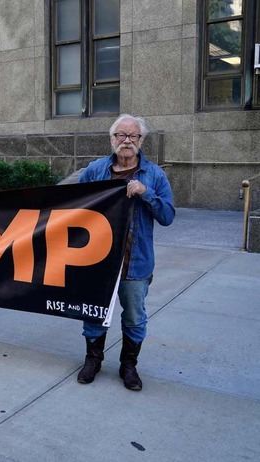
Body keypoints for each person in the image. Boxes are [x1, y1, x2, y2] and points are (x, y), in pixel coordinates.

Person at [76, 114, 175, 391]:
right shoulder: (96, 170)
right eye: (121, 135)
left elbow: (168, 216)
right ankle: (93, 360)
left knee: (134, 317)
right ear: (112, 139)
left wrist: (146, 193)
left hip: (135, 263)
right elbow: (73, 205)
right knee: (95, 313)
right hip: (99, 261)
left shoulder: (154, 175)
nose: (127, 141)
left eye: (133, 136)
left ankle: (128, 366)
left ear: (141, 141)